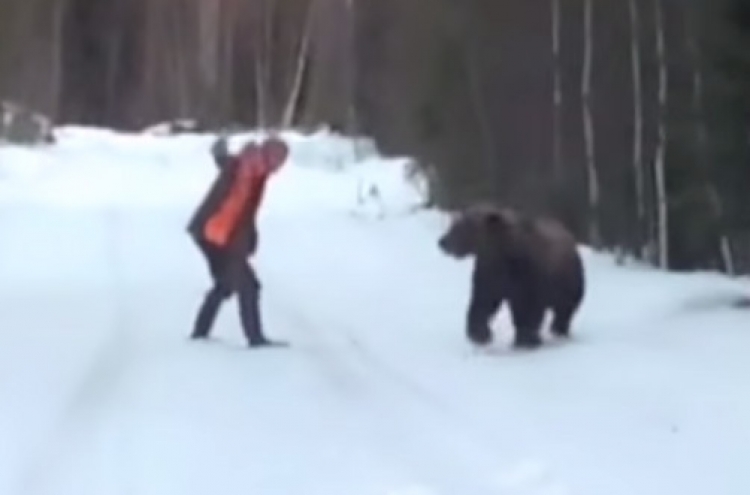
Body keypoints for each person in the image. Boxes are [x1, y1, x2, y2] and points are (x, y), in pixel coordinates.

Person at [186, 134, 289, 347]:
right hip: (215, 233)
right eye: (279, 160)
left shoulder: (252, 168)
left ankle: (200, 332)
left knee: (225, 284)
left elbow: (229, 169)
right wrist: (238, 246)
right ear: (269, 156)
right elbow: (234, 212)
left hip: (211, 232)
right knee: (248, 285)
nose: (279, 168)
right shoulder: (248, 173)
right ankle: (254, 338)